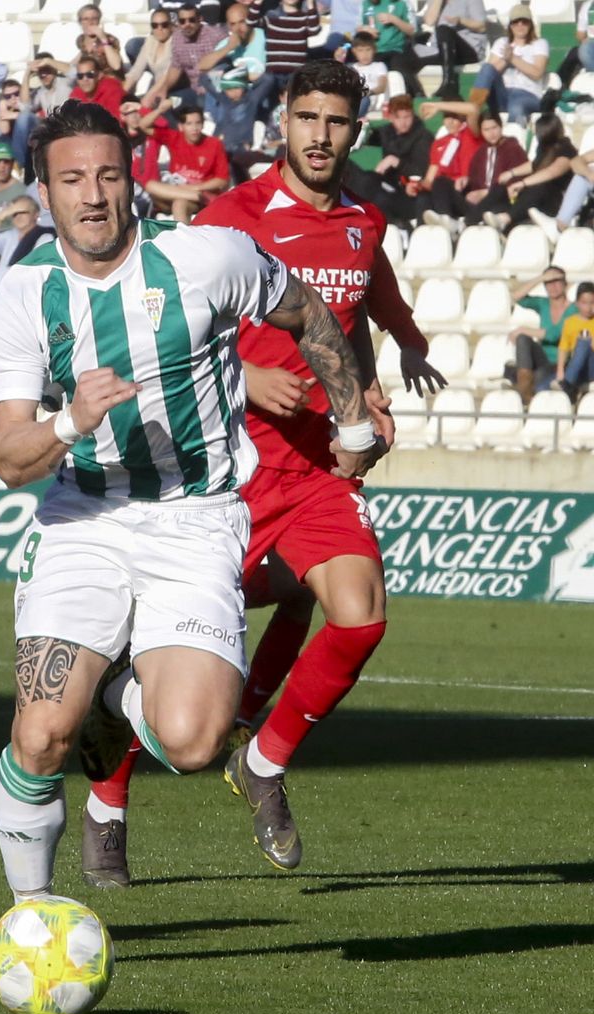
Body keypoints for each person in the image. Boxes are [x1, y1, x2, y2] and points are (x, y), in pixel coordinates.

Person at [0, 97, 382, 906]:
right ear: (44, 193)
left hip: (197, 518)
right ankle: (32, 918)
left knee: (194, 743)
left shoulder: (206, 256)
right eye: (71, 180)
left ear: (133, 180)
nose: (93, 195)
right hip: (83, 517)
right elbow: (10, 458)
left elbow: (305, 309)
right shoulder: (21, 296)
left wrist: (354, 419)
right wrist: (71, 419)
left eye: (108, 176)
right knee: (42, 733)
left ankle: (112, 693)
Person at [81, 61, 443, 888]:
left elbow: (355, 309)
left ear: (356, 131)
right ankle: (107, 804)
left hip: (316, 470)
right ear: (284, 121)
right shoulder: (233, 216)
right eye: (307, 118)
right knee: (156, 645)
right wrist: (244, 376)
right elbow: (159, 321)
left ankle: (264, 760)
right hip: (230, 470)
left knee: (360, 615)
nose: (320, 136)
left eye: (336, 122)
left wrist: (368, 393)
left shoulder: (364, 221)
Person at [343, 95, 431, 227]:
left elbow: (421, 172)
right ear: (390, 117)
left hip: (407, 193)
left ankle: (399, 227)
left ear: (413, 115)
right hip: (386, 184)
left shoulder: (423, 136)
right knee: (349, 167)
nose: (403, 122)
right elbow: (368, 137)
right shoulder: (388, 132)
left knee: (372, 187)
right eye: (398, 117)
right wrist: (363, 128)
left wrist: (396, 162)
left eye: (407, 117)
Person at [143, 105, 231, 222]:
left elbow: (222, 180)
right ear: (181, 126)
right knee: (150, 185)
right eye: (189, 124)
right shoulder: (174, 138)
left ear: (203, 124)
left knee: (180, 204)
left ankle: (183, 234)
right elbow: (143, 125)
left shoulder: (214, 144)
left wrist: (194, 188)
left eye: (198, 123)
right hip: (177, 191)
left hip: (199, 196)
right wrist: (160, 109)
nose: (194, 128)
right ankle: (193, 196)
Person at [472, 7, 549, 125]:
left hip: (528, 93)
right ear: (511, 25)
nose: (520, 25)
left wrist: (513, 58)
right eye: (515, 22)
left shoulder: (539, 43)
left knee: (516, 106)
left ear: (530, 24)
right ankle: (473, 108)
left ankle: (513, 134)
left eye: (524, 22)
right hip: (502, 92)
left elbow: (537, 73)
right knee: (487, 68)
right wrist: (505, 60)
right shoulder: (502, 43)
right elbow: (490, 73)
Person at [508, 268, 575, 401]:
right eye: (548, 283)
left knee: (539, 377)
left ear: (565, 284)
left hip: (560, 362)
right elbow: (516, 297)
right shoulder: (543, 303)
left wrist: (523, 329)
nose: (553, 286)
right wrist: (540, 278)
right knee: (522, 339)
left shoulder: (574, 309)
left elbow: (554, 335)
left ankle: (524, 392)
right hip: (542, 357)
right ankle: (524, 389)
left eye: (556, 281)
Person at [144, 3, 224, 111]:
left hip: (214, 91)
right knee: (163, 104)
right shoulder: (177, 38)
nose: (187, 24)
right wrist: (164, 89)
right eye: (182, 21)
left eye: (191, 20)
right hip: (193, 91)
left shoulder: (216, 36)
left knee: (201, 102)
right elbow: (175, 68)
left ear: (199, 19)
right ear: (178, 22)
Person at [409, 0, 488, 102]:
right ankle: (416, 93)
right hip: (442, 49)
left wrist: (461, 21)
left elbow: (481, 26)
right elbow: (429, 21)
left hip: (469, 48)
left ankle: (449, 84)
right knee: (405, 57)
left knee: (443, 29)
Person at [0, 195, 50, 286]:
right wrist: (3, 215)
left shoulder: (45, 236)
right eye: (14, 213)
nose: (18, 217)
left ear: (35, 214)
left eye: (22, 212)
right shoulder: (9, 236)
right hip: (1, 291)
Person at [359, 0, 416, 89]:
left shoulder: (402, 3)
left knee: (398, 70)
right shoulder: (364, 4)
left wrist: (393, 19)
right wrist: (365, 30)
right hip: (373, 51)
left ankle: (416, 93)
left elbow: (412, 31)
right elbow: (357, 28)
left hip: (396, 49)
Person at [555, 281, 594, 401]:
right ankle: (569, 384)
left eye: (592, 303)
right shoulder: (570, 322)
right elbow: (563, 347)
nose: (589, 307)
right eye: (584, 303)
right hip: (576, 366)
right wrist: (560, 370)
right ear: (577, 303)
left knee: (584, 342)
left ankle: (567, 384)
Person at [123, 11, 177, 97]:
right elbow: (136, 71)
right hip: (157, 87)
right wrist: (121, 94)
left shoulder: (177, 42)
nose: (159, 28)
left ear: (170, 26)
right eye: (155, 25)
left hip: (175, 89)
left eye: (164, 25)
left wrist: (149, 95)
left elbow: (167, 76)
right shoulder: (151, 41)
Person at [67, 57, 126, 121]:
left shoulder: (112, 90)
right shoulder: (75, 94)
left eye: (90, 75)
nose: (85, 79)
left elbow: (116, 122)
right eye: (80, 76)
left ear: (99, 75)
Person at [75, 5, 125, 77]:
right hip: (89, 78)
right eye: (86, 19)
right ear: (80, 22)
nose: (90, 22)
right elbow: (75, 63)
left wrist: (103, 38)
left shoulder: (110, 39)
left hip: (109, 79)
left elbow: (116, 66)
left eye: (94, 19)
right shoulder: (81, 39)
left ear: (99, 21)